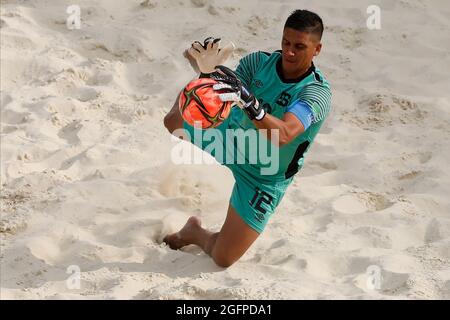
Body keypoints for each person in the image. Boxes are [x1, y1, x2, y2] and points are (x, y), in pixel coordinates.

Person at [163, 9, 332, 267]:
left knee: (223, 257)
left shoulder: (315, 93)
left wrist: (252, 105)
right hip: (230, 138)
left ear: (317, 49)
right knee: (172, 121)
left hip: (264, 175)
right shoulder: (257, 63)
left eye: (299, 46)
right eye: (286, 43)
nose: (290, 51)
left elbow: (283, 135)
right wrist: (207, 74)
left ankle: (194, 232)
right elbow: (218, 98)